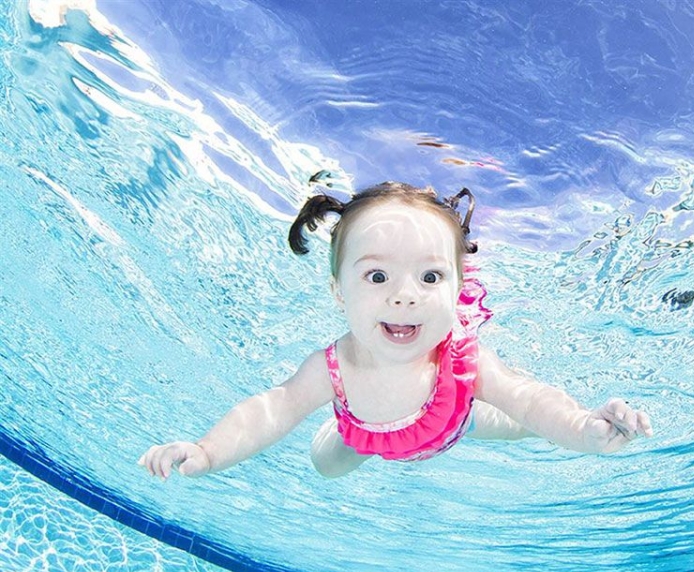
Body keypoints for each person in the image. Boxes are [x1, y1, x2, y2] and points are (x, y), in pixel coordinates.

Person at [139, 182, 653, 480]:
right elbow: (269, 411)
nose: (404, 296)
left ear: (456, 290)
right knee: (327, 467)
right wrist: (208, 451)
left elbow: (530, 398)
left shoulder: (462, 359)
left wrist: (585, 429)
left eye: (430, 277)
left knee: (519, 419)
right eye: (378, 276)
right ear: (339, 290)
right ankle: (346, 438)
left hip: (454, 424)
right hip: (360, 433)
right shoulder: (330, 368)